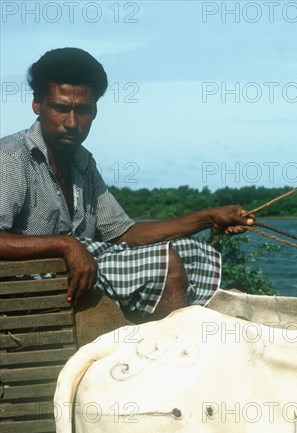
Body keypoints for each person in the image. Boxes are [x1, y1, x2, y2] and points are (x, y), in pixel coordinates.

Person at [0, 47, 254, 320]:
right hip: (24, 285)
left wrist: (209, 218)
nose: (72, 123)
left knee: (189, 251)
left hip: (74, 277)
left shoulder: (83, 162)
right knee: (163, 264)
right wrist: (65, 245)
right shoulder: (11, 158)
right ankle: (164, 354)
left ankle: (157, 345)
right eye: (60, 108)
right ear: (37, 104)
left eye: (83, 110)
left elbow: (124, 235)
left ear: (95, 110)